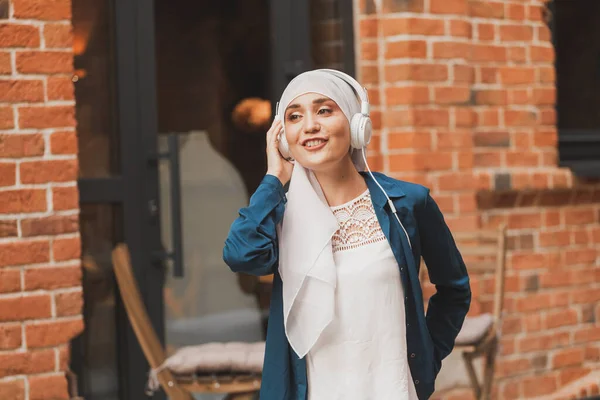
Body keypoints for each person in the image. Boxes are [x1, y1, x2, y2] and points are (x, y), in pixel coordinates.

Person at [223, 69, 471, 400]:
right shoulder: (279, 216)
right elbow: (241, 255)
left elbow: (454, 290)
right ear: (283, 138)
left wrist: (426, 359)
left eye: (324, 110)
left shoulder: (406, 204)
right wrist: (273, 177)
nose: (310, 125)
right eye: (295, 117)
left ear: (356, 125)